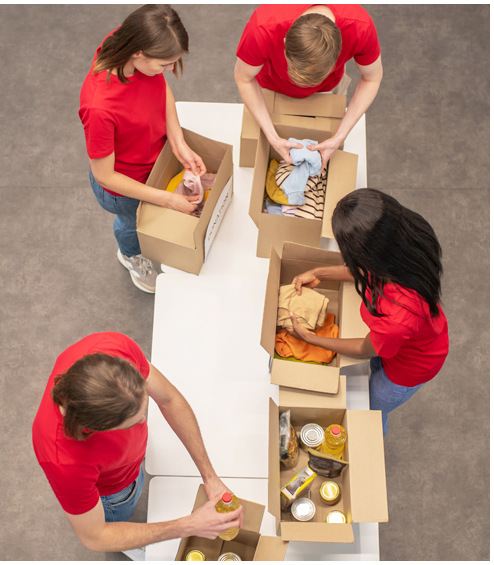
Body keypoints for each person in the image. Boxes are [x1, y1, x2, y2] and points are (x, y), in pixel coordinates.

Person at [32, 332, 243, 555]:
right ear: (99, 429)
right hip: (113, 494)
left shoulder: (113, 349)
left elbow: (169, 399)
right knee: (121, 518)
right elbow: (96, 536)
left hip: (127, 463)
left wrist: (210, 476)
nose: (144, 421)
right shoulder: (64, 462)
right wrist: (189, 525)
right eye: (130, 424)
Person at [287, 189, 449, 437]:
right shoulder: (408, 242)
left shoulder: (398, 316)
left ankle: (372, 450)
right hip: (417, 338)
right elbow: (366, 271)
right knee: (371, 375)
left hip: (409, 368)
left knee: (370, 413)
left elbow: (365, 349)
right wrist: (319, 272)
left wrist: (309, 338)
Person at [79, 5, 206, 294]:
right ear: (138, 52)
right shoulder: (99, 107)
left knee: (147, 217)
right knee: (132, 224)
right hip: (125, 187)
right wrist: (167, 200)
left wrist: (177, 141)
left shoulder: (125, 43)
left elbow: (160, 87)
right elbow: (105, 176)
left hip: (152, 162)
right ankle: (130, 255)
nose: (171, 70)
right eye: (165, 64)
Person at [234, 5, 383, 170]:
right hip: (272, 84)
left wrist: (338, 139)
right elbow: (244, 78)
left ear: (339, 52)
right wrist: (273, 138)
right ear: (284, 42)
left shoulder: (360, 27)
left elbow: (372, 78)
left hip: (329, 89)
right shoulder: (262, 28)